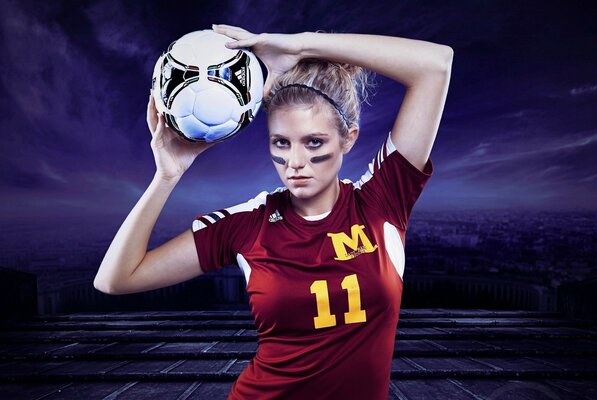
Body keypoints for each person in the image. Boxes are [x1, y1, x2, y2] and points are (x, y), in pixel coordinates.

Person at [94, 23, 453, 400]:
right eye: (281, 142)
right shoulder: (248, 224)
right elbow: (116, 280)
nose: (295, 162)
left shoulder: (382, 201)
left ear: (349, 138)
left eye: (314, 141)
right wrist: (166, 177)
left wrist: (298, 47)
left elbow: (435, 64)